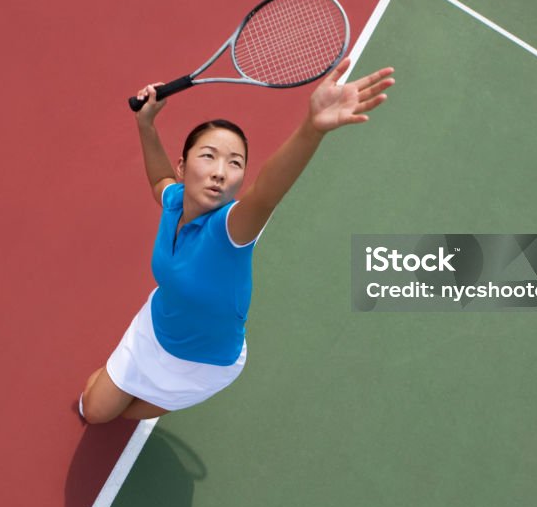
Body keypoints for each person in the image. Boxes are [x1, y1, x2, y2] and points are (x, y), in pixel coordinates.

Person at [79, 57, 394, 423]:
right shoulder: (175, 200)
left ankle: (135, 389)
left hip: (203, 364)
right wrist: (146, 123)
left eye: (235, 163)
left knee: (116, 415)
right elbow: (157, 181)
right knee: (93, 410)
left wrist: (312, 129)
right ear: (184, 167)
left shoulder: (230, 230)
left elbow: (266, 194)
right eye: (209, 156)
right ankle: (120, 379)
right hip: (157, 327)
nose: (219, 173)